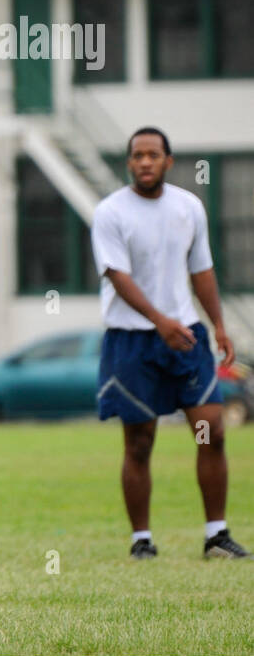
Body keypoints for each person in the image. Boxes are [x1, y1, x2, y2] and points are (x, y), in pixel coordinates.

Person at [91, 126, 247, 560]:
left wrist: (218, 324)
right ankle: (141, 540)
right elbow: (117, 277)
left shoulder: (188, 207)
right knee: (140, 443)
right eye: (137, 155)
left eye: (152, 155)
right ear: (129, 163)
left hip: (186, 340)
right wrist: (159, 321)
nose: (144, 162)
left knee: (210, 431)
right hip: (133, 343)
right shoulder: (110, 212)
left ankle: (216, 535)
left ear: (168, 161)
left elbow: (202, 270)